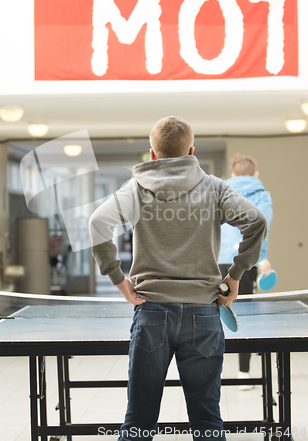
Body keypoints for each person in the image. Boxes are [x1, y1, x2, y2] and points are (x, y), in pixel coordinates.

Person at [89, 117, 267, 441]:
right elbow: (256, 221)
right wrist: (236, 274)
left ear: (152, 154)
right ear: (191, 151)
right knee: (207, 420)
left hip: (152, 311)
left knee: (138, 421)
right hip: (204, 314)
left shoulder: (136, 189)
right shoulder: (214, 187)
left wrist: (118, 279)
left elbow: (97, 223)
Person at [218, 153, 273, 388]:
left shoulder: (220, 191)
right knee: (246, 315)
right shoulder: (262, 195)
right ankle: (244, 374)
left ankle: (208, 373)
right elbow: (261, 228)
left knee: (209, 315)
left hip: (216, 261)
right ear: (256, 174)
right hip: (246, 262)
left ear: (232, 174)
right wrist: (262, 258)